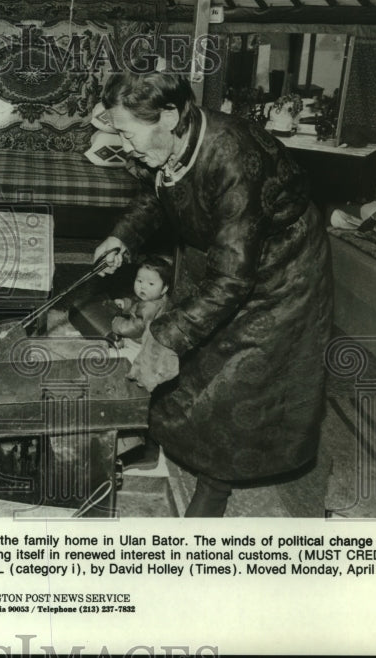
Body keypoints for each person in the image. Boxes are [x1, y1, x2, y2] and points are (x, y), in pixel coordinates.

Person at [93, 68, 333, 517]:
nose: (124, 146)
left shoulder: (233, 157)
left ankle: (217, 483)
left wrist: (165, 335)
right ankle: (162, 445)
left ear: (168, 115)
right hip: (219, 253)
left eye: (128, 134)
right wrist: (124, 236)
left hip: (281, 269)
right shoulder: (168, 143)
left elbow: (233, 280)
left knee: (241, 377)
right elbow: (155, 194)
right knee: (193, 359)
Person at [111, 255, 173, 340]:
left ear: (164, 289)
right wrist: (126, 304)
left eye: (151, 283)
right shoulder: (154, 297)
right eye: (140, 281)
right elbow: (138, 304)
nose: (143, 286)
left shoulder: (150, 307)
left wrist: (118, 324)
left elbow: (136, 328)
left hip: (141, 343)